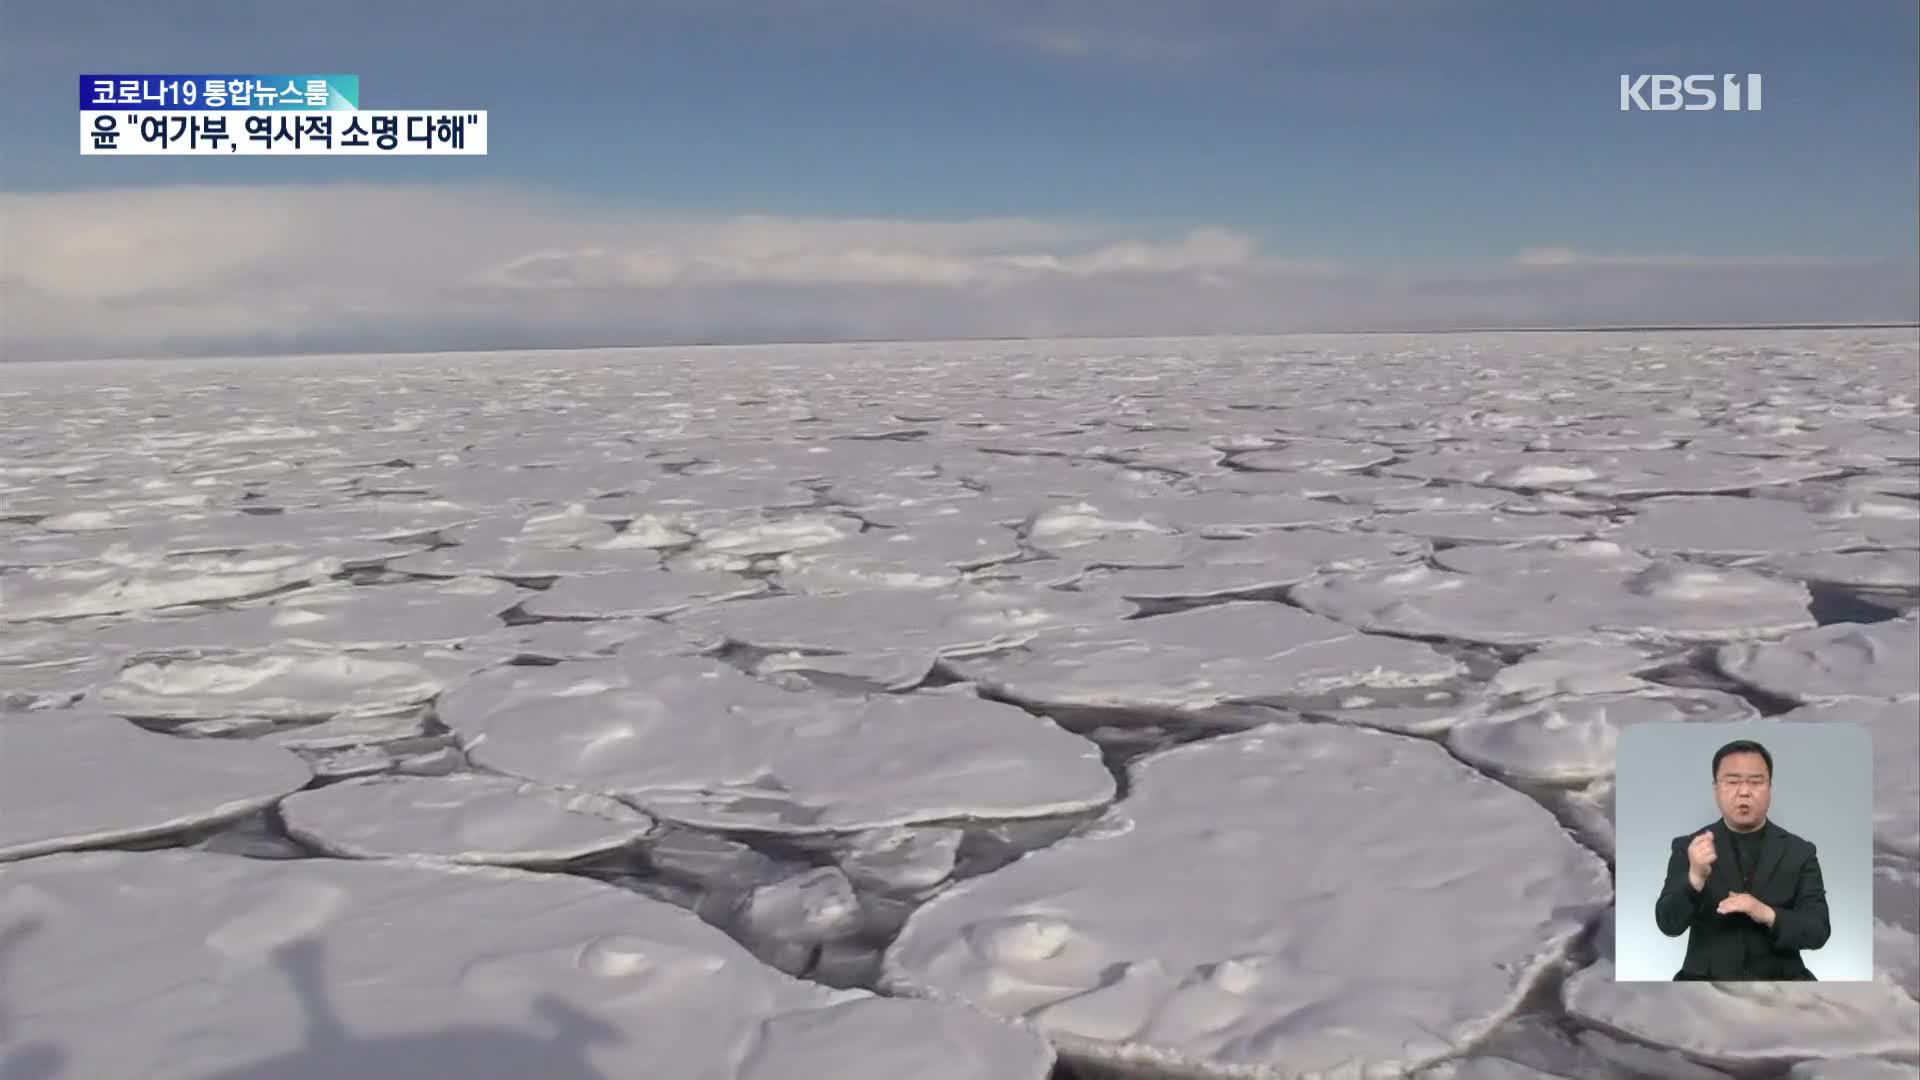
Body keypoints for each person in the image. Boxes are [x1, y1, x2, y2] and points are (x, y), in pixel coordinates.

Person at [1653, 738, 1831, 980]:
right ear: (1716, 788)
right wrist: (1694, 879)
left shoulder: (1800, 852)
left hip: (1783, 986)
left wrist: (1765, 913)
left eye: (1756, 782)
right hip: (1706, 988)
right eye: (1733, 782)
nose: (1744, 792)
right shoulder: (1688, 847)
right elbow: (1668, 924)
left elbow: (1818, 931)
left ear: (1770, 788)